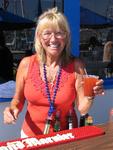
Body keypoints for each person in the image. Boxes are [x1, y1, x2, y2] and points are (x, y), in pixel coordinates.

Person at [3, 7, 104, 138]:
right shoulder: (26, 64)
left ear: (66, 37)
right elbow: (18, 99)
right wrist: (12, 110)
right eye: (47, 33)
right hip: (31, 137)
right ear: (39, 37)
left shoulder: (76, 65)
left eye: (59, 33)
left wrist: (90, 94)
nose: (53, 39)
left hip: (66, 137)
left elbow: (82, 108)